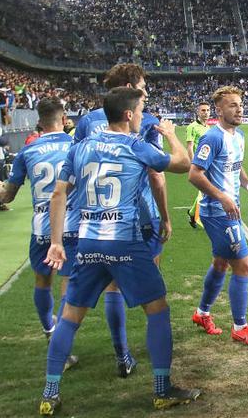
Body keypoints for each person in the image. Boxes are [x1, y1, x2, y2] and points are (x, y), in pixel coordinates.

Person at [38, 86, 198, 415]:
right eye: (140, 110)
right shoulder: (136, 147)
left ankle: (49, 393)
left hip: (88, 243)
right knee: (158, 310)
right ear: (128, 115)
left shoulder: (79, 147)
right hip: (125, 242)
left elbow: (57, 195)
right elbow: (183, 164)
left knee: (69, 317)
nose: (143, 116)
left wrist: (56, 242)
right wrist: (170, 135)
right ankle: (162, 389)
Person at [72, 63, 169, 374]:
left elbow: (74, 168)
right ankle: (159, 368)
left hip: (97, 219)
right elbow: (157, 175)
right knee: (153, 295)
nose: (147, 91)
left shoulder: (87, 121)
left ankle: (121, 353)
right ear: (131, 87)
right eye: (142, 86)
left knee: (113, 286)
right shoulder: (148, 121)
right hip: (138, 215)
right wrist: (165, 217)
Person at [0, 98, 79, 369]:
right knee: (68, 286)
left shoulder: (28, 151)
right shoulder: (76, 146)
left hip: (41, 229)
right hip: (72, 227)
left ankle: (49, 331)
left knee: (42, 282)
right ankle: (62, 349)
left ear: (39, 122)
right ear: (64, 119)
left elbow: (7, 194)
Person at [189, 87, 248, 345]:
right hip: (217, 212)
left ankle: (202, 313)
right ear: (219, 111)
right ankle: (240, 327)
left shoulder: (239, 135)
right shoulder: (212, 137)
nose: (240, 109)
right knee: (243, 265)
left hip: (228, 210)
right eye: (233, 105)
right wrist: (222, 196)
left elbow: (236, 165)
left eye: (240, 104)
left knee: (221, 263)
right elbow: (195, 173)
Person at [185, 102, 212, 229]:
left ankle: (192, 213)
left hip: (208, 164)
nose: (206, 112)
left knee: (204, 190)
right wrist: (192, 164)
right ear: (198, 112)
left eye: (207, 110)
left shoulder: (209, 128)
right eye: (203, 110)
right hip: (198, 164)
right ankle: (199, 217)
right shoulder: (192, 127)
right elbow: (189, 146)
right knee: (204, 190)